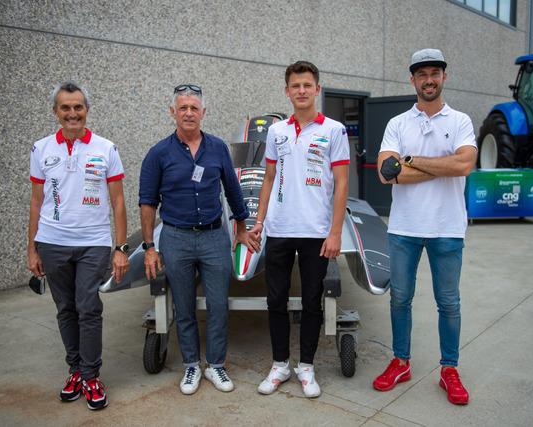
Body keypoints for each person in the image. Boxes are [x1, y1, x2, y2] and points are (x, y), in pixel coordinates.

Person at [373, 49, 477, 405]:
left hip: (447, 228)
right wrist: (442, 165)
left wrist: (411, 161)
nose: (428, 80)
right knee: (400, 299)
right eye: (422, 74)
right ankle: (401, 362)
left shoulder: (460, 121)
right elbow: (386, 172)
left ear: (444, 76)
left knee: (448, 303)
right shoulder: (398, 123)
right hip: (404, 228)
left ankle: (449, 369)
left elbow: (464, 165)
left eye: (435, 73)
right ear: (413, 80)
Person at [139, 84, 258, 395]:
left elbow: (233, 190)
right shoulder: (158, 153)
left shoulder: (217, 148)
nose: (189, 113)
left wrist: (241, 228)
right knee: (184, 306)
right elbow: (147, 202)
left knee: (218, 305)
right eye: (183, 108)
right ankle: (191, 365)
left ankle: (215, 365)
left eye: (194, 108)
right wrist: (149, 247)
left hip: (214, 239)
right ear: (173, 112)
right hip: (175, 239)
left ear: (203, 112)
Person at [250, 61, 350, 398]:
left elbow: (342, 183)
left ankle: (306, 366)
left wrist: (335, 232)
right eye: (296, 86)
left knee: (311, 302)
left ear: (317, 89)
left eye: (307, 85)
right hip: (279, 229)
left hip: (316, 231)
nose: (302, 91)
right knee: (275, 300)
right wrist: (260, 221)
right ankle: (280, 364)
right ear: (287, 91)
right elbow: (268, 178)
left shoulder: (334, 130)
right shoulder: (276, 132)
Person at [27, 81, 129, 410]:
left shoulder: (106, 148)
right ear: (55, 112)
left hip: (93, 243)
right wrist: (32, 248)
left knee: (89, 307)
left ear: (87, 110)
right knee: (66, 309)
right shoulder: (41, 149)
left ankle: (91, 375)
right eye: (66, 107)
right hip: (52, 241)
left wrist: (120, 248)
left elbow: (118, 202)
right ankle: (75, 371)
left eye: (78, 107)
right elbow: (36, 202)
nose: (72, 113)